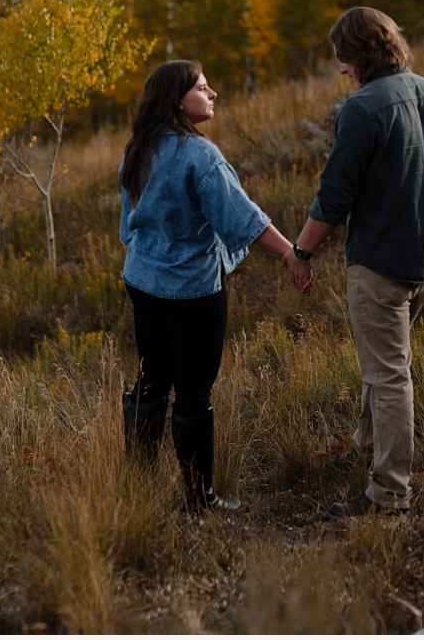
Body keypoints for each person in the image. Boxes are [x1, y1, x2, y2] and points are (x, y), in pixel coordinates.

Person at [286, 7, 424, 518]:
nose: (340, 69)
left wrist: (301, 252)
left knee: (390, 373)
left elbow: (332, 200)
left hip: (379, 266)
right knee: (383, 365)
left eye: (342, 58)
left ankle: (390, 492)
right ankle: (363, 448)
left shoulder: (362, 110)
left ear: (359, 53)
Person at [119, 59, 312, 512]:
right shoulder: (199, 156)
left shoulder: (137, 149)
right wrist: (290, 254)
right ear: (177, 101)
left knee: (151, 382)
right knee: (191, 391)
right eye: (203, 89)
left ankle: (137, 488)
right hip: (191, 291)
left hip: (142, 282)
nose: (213, 94)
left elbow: (129, 226)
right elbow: (244, 217)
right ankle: (199, 498)